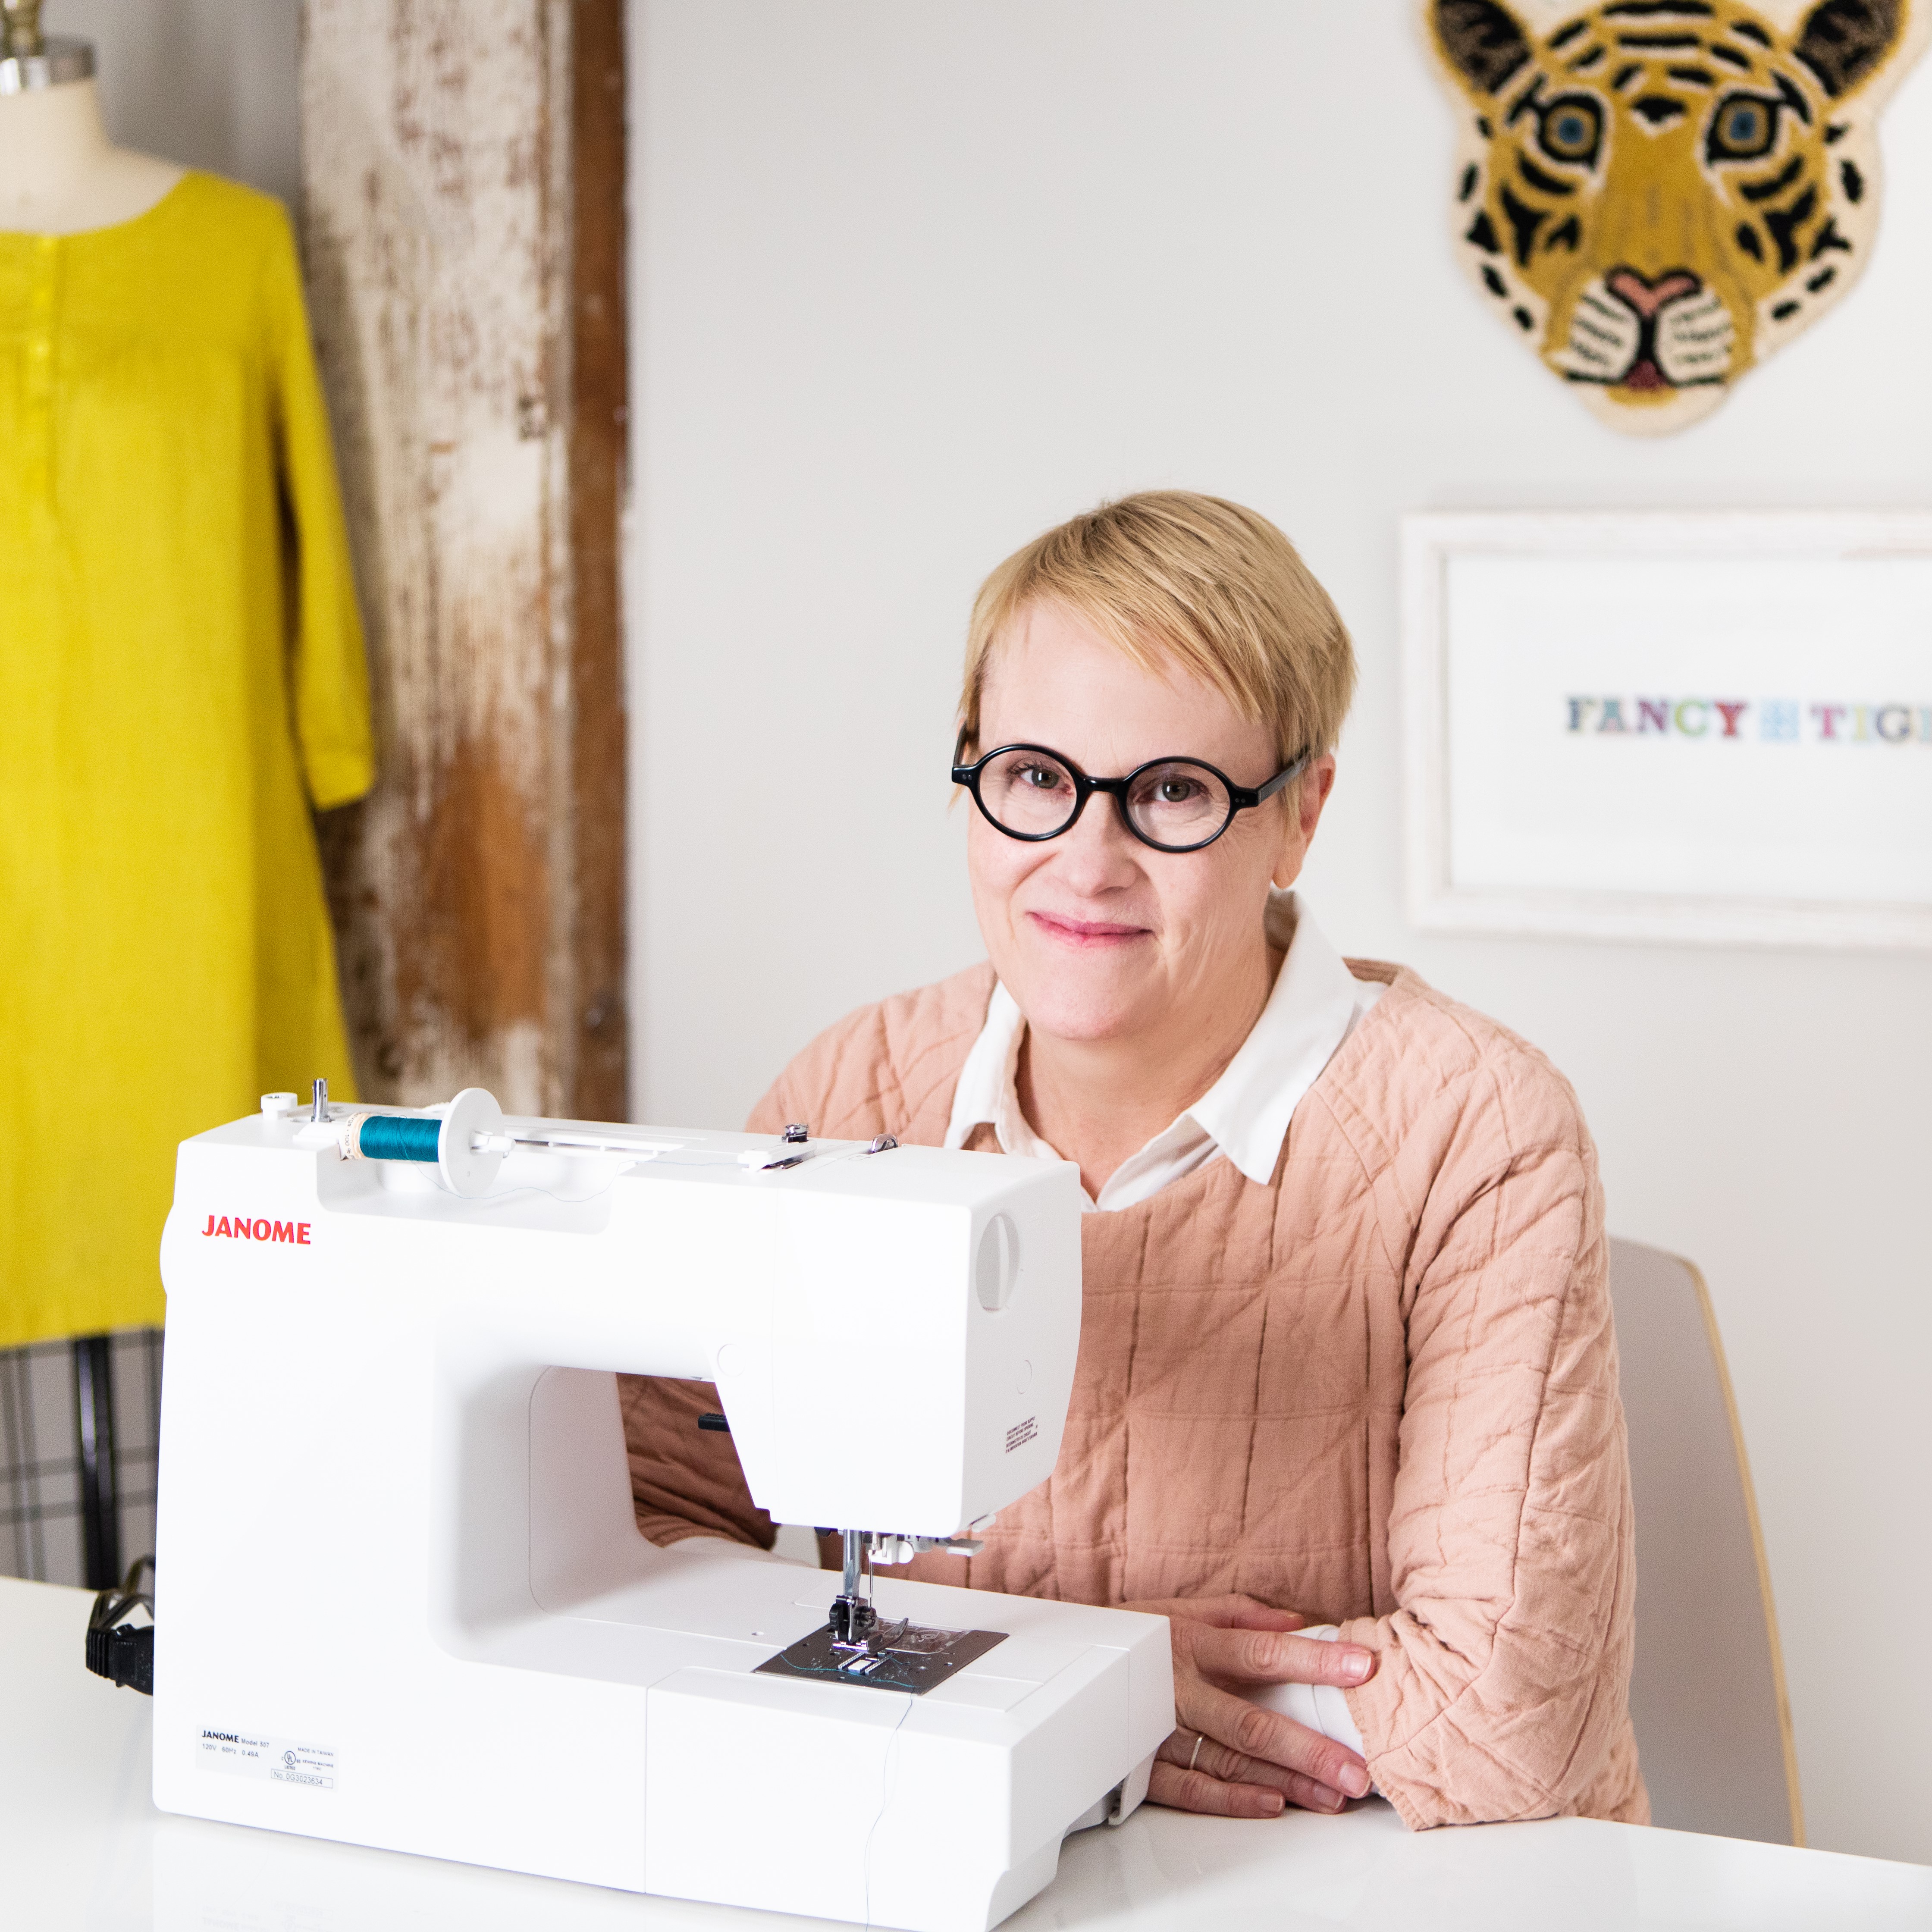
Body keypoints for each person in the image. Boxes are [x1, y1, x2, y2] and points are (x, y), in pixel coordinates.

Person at [621, 491, 1645, 1831]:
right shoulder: (849, 1097)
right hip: (971, 1854)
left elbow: (1513, 1722)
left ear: (1301, 815)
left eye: (1173, 793)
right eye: (1037, 780)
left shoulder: (1476, 1132)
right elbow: (642, 1541)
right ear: (970, 771)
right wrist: (1093, 1684)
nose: (1086, 863)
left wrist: (1018, 1697)